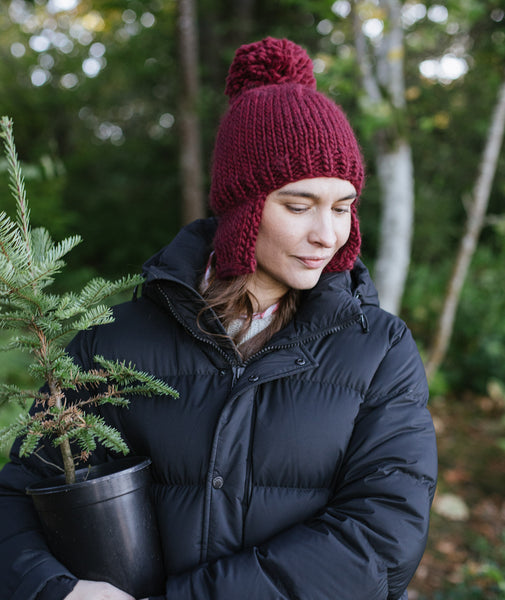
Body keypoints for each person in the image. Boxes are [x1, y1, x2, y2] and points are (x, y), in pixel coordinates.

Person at [0, 37, 437, 600]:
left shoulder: (379, 350)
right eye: (299, 205)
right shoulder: (111, 339)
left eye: (343, 206)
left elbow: (382, 539)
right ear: (243, 206)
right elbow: (20, 495)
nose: (328, 235)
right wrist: (56, 590)